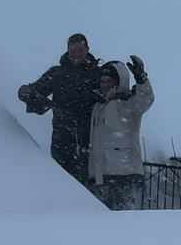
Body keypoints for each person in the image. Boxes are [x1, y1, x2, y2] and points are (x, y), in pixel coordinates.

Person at [17, 34, 100, 185]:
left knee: (90, 184)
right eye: (72, 49)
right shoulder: (57, 74)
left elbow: (112, 93)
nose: (76, 53)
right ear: (67, 50)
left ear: (87, 50)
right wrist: (27, 93)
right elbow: (37, 90)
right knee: (62, 181)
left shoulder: (97, 74)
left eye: (79, 49)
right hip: (62, 138)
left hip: (92, 139)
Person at [88, 55, 154, 211]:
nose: (105, 85)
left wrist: (141, 78)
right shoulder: (98, 107)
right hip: (100, 177)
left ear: (118, 82)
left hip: (125, 175)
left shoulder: (128, 103)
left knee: (126, 224)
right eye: (102, 82)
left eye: (109, 82)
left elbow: (146, 99)